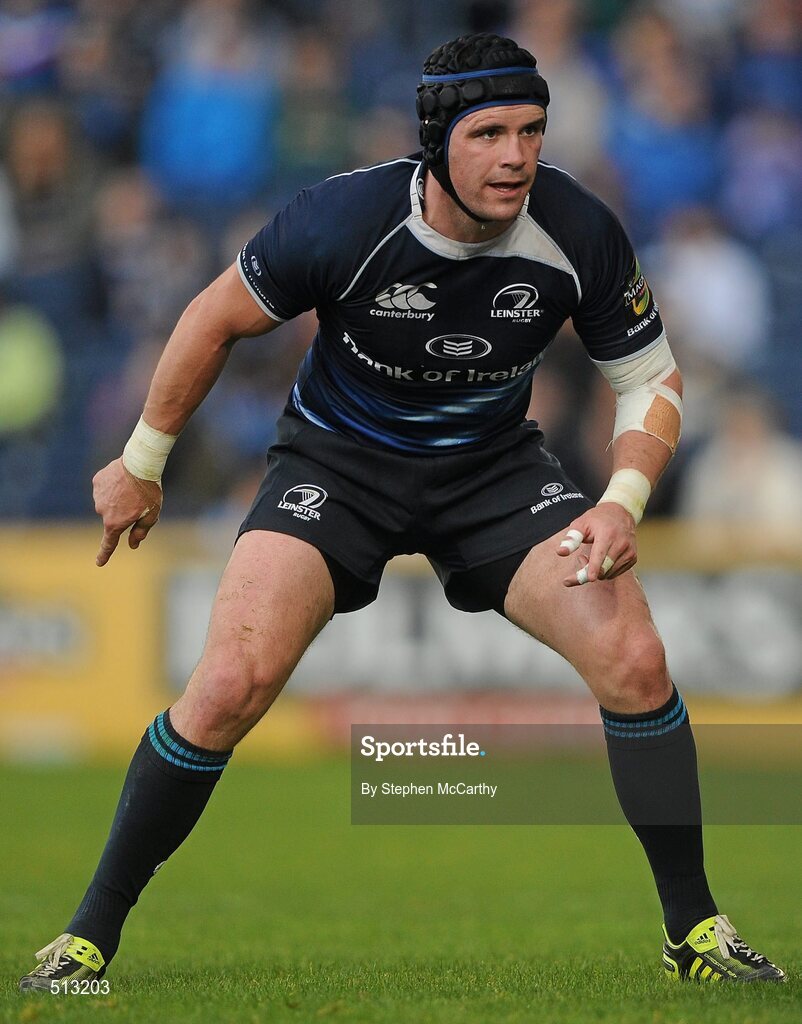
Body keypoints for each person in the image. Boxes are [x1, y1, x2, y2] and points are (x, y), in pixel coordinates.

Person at [20, 33, 784, 991]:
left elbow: (649, 378)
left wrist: (623, 499)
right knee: (225, 689)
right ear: (436, 141)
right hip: (338, 469)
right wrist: (141, 459)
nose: (518, 156)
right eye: (492, 133)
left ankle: (696, 932)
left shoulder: (579, 228)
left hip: (493, 474)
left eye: (534, 131)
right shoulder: (340, 219)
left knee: (635, 660)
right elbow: (212, 319)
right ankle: (87, 936)